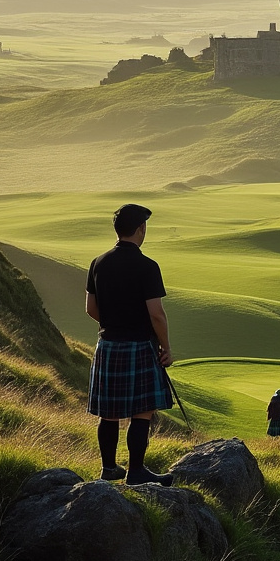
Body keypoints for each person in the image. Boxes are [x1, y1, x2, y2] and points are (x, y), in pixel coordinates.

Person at [84, 204, 175, 486]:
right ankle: (135, 471)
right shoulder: (147, 266)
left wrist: (114, 323)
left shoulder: (98, 262)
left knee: (108, 412)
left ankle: (109, 468)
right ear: (140, 229)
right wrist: (166, 347)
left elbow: (90, 308)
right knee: (142, 409)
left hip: (107, 344)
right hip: (138, 344)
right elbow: (156, 314)